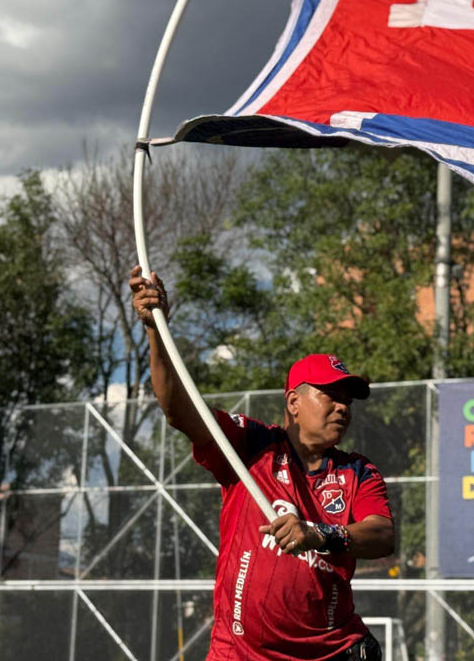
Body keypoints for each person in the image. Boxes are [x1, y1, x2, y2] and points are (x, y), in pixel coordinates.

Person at [130, 267, 396, 661]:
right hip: (240, 654)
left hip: (329, 652)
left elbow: (381, 535)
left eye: (347, 399)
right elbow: (179, 410)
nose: (343, 406)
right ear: (293, 403)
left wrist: (320, 534)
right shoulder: (251, 444)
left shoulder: (357, 471)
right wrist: (156, 330)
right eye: (330, 395)